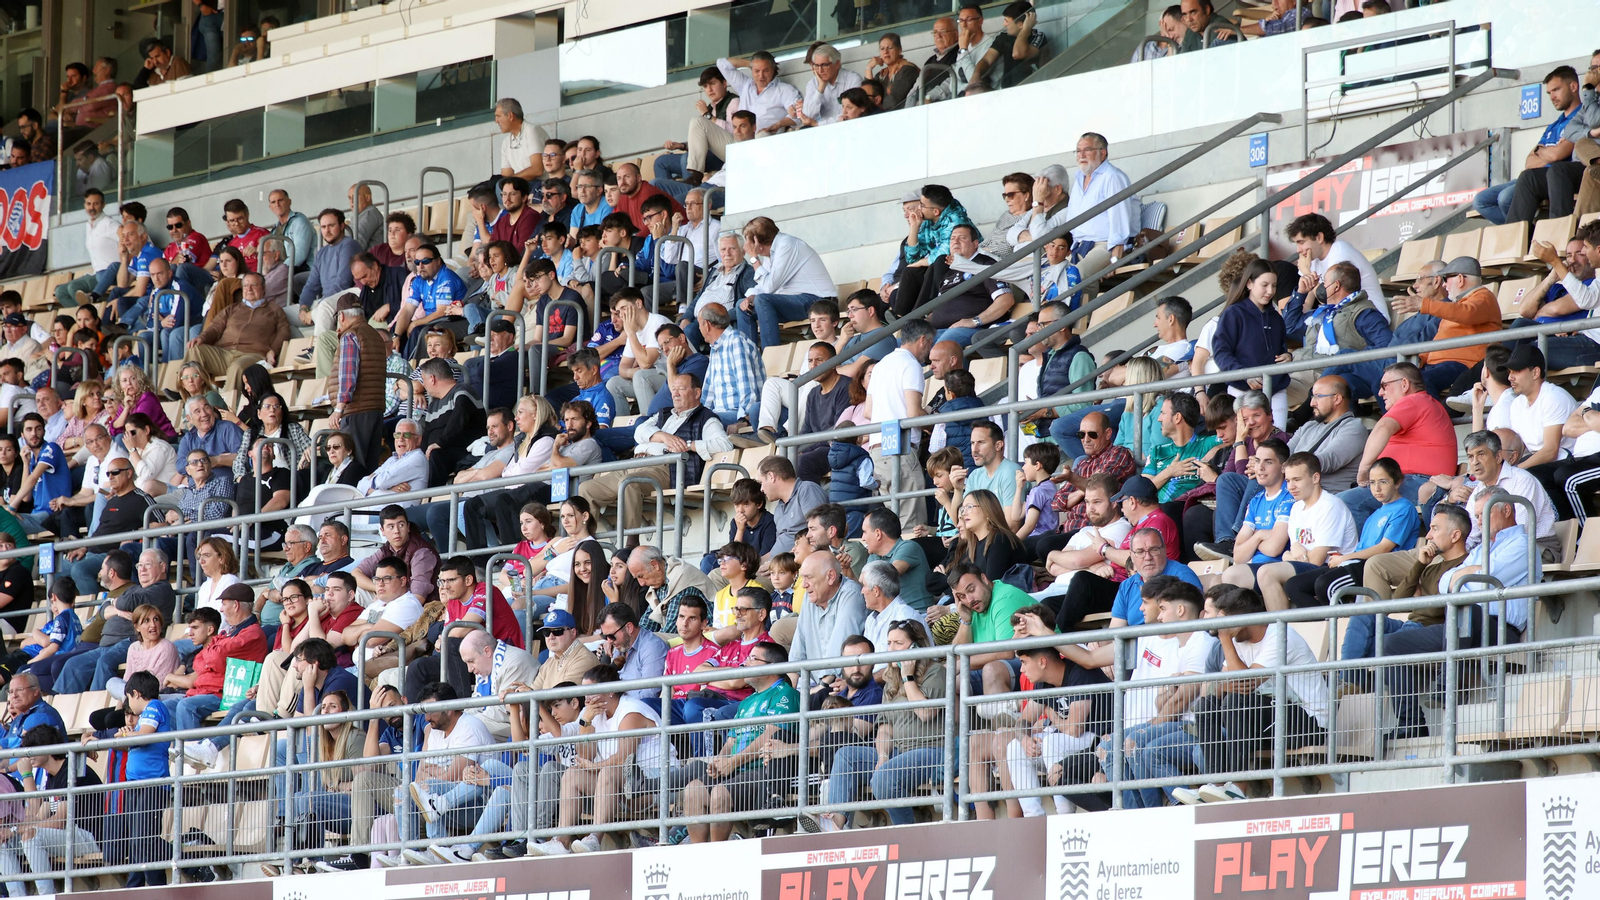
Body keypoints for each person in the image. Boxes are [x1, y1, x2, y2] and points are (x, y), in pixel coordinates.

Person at [681, 641, 799, 844]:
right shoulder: (746, 702)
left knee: (719, 793)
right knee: (693, 789)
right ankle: (698, 854)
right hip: (735, 769)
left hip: (761, 770)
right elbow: (730, 741)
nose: (745, 663)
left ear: (772, 666)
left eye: (753, 658)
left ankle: (718, 853)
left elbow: (770, 737)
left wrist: (733, 762)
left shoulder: (785, 694)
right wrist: (719, 762)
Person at [1338, 362, 1457, 528]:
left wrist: (1364, 469)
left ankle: (1361, 554)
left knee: (1345, 502)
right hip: (1410, 481)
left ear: (1404, 384)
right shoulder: (1421, 402)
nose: (1380, 392)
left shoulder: (1414, 401)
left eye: (1384, 386)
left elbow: (1382, 428)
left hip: (1419, 482)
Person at [1499, 66, 1600, 227]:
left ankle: (1557, 232)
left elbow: (1558, 154)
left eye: (1556, 90)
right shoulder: (1585, 107)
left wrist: (1588, 89)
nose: (1593, 74)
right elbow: (1570, 131)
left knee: (1557, 170)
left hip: (1583, 167)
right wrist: (1591, 133)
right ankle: (1512, 242)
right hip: (1573, 169)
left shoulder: (1588, 102)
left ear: (1574, 87)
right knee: (1528, 177)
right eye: (1591, 69)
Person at [1387, 256, 1501, 398]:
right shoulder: (1454, 306)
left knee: (1422, 382)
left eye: (1446, 279)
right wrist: (1420, 358)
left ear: (1460, 279)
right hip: (1435, 365)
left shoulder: (1484, 297)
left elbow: (1467, 314)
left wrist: (1424, 304)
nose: (1444, 285)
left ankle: (1434, 419)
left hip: (1463, 365)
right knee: (1392, 384)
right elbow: (1439, 338)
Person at [737, 217, 838, 349]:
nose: (747, 247)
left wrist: (753, 258)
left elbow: (769, 287)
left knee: (762, 300)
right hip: (797, 301)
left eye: (748, 242)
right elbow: (763, 286)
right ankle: (749, 358)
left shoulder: (787, 245)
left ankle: (771, 354)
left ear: (757, 244)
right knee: (742, 306)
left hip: (819, 301)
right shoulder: (771, 253)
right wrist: (750, 297)